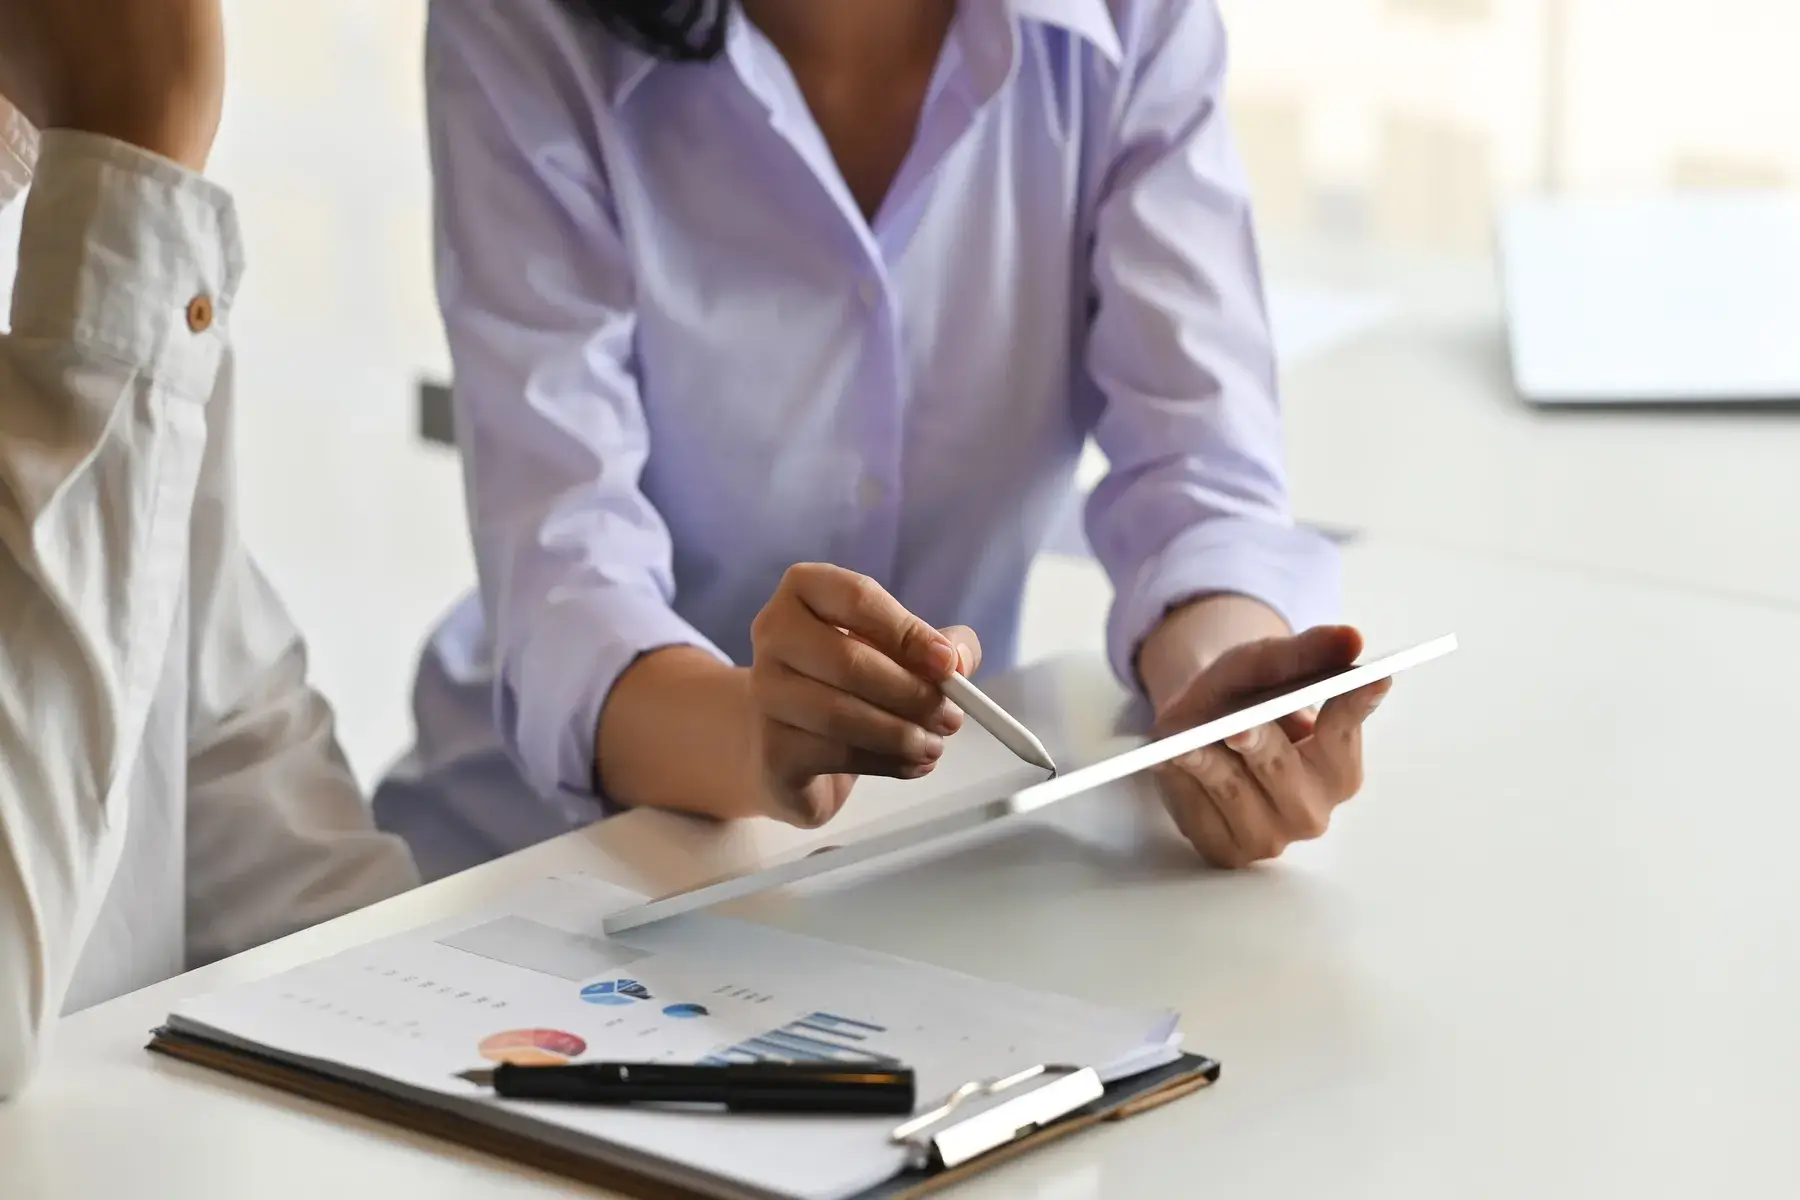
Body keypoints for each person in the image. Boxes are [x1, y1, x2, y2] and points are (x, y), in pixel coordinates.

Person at [376, 0, 1393, 880]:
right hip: (540, 874)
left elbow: (1201, 475)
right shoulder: (526, 24)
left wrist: (1235, 706)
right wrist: (755, 730)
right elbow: (568, 578)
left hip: (921, 861)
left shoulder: (1127, 22)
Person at [0, 0, 418, 1099]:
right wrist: (130, 144)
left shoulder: (91, 236)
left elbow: (242, 777)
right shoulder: (108, 216)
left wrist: (498, 1047)